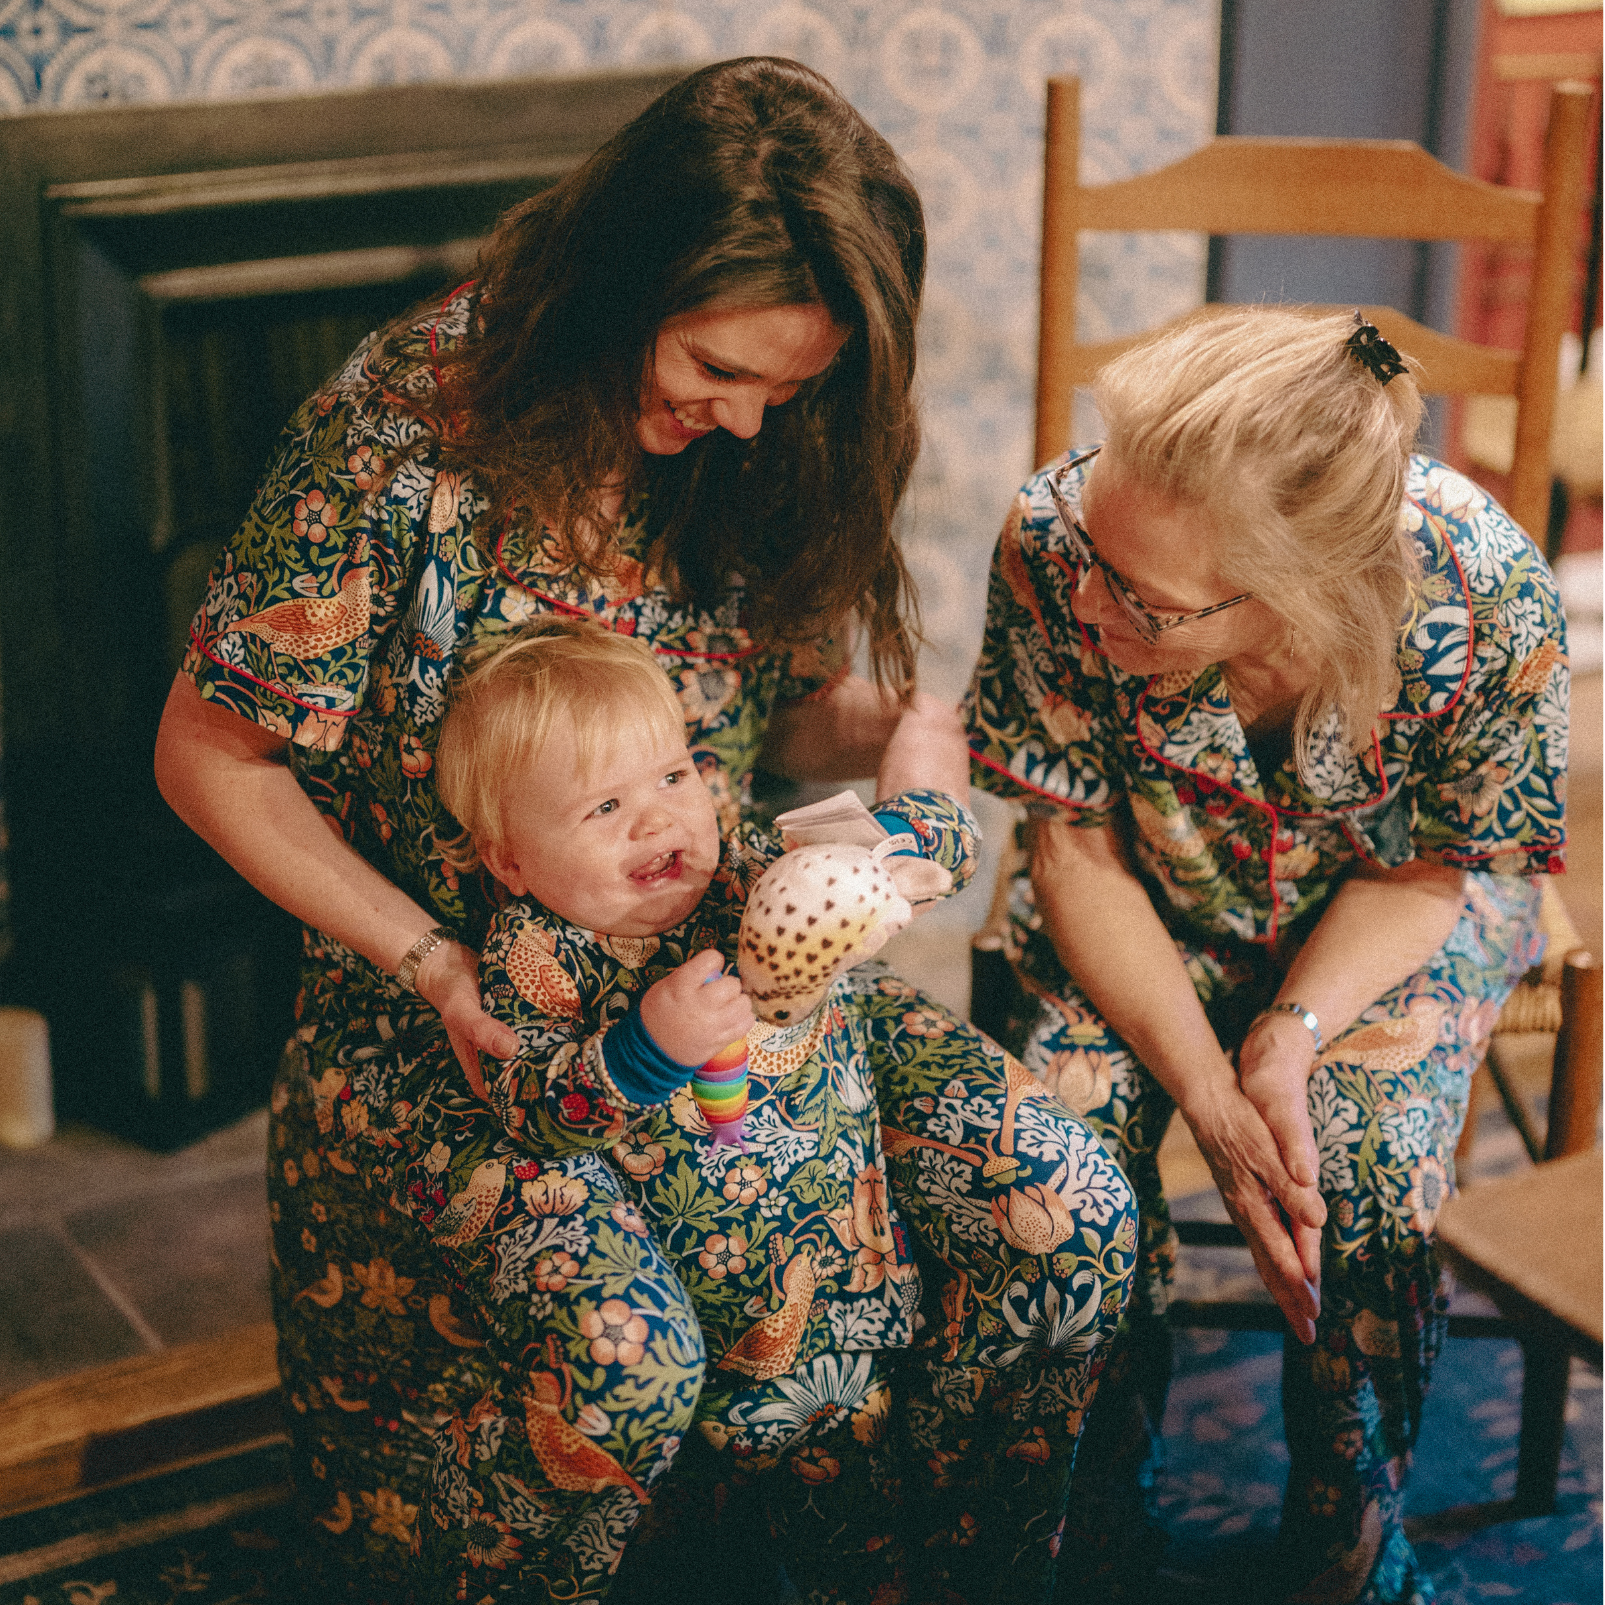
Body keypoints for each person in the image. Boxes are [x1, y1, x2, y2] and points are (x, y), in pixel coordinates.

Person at [154, 57, 1134, 1604]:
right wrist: (431, 963)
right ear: (621, 282)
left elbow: (776, 717)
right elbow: (210, 756)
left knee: (1071, 1213)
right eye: (717, 367)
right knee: (625, 1364)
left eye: (785, 388)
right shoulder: (404, 431)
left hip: (734, 969)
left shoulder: (758, 443)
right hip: (473, 1012)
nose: (743, 418)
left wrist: (896, 730)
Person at [964, 307, 1567, 1604]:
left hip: (1389, 916)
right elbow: (1074, 849)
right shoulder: (1060, 539)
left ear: (1297, 592)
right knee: (1054, 1175)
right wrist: (1211, 1090)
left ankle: (1342, 1548)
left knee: (1366, 1177)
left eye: (1141, 598)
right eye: (1094, 556)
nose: (1087, 598)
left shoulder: (1483, 591)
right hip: (1135, 897)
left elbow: (1430, 869)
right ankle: (1088, 1531)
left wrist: (1285, 1041)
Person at [393, 614, 1122, 1599]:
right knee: (729, 1556)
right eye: (604, 805)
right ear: (511, 861)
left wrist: (897, 840)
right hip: (720, 1333)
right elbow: (534, 1109)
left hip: (854, 1287)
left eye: (672, 776)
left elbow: (927, 842)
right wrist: (644, 1049)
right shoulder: (536, 958)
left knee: (863, 1537)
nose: (656, 820)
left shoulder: (746, 870)